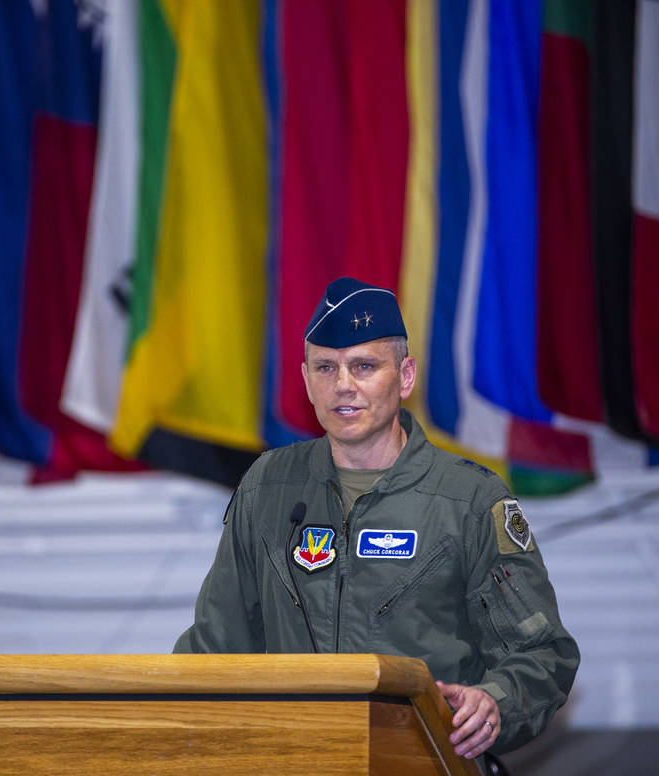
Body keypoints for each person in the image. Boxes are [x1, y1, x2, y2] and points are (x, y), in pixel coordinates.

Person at [174, 276, 579, 764]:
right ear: (305, 380)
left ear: (405, 377)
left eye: (364, 366)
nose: (343, 385)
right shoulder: (267, 487)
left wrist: (495, 700)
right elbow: (215, 647)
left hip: (424, 761)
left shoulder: (469, 499)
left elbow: (542, 654)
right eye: (326, 367)